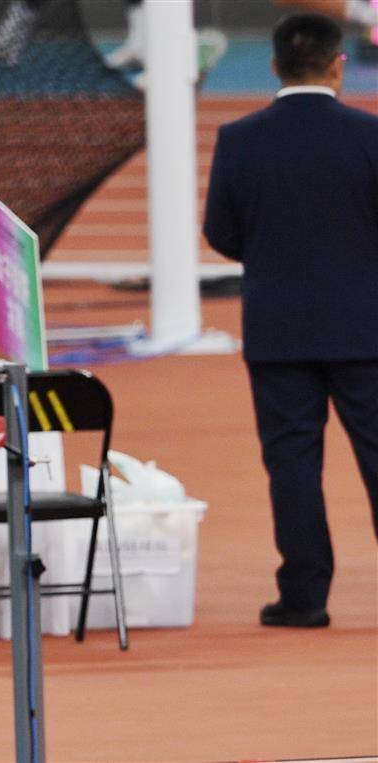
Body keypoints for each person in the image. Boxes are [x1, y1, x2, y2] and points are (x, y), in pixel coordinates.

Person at [202, 13, 378, 628]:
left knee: (294, 463)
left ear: (274, 65)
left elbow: (220, 232)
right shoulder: (370, 134)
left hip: (278, 329)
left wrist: (276, 257)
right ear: (338, 63)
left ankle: (304, 597)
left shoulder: (240, 138)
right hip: (367, 327)